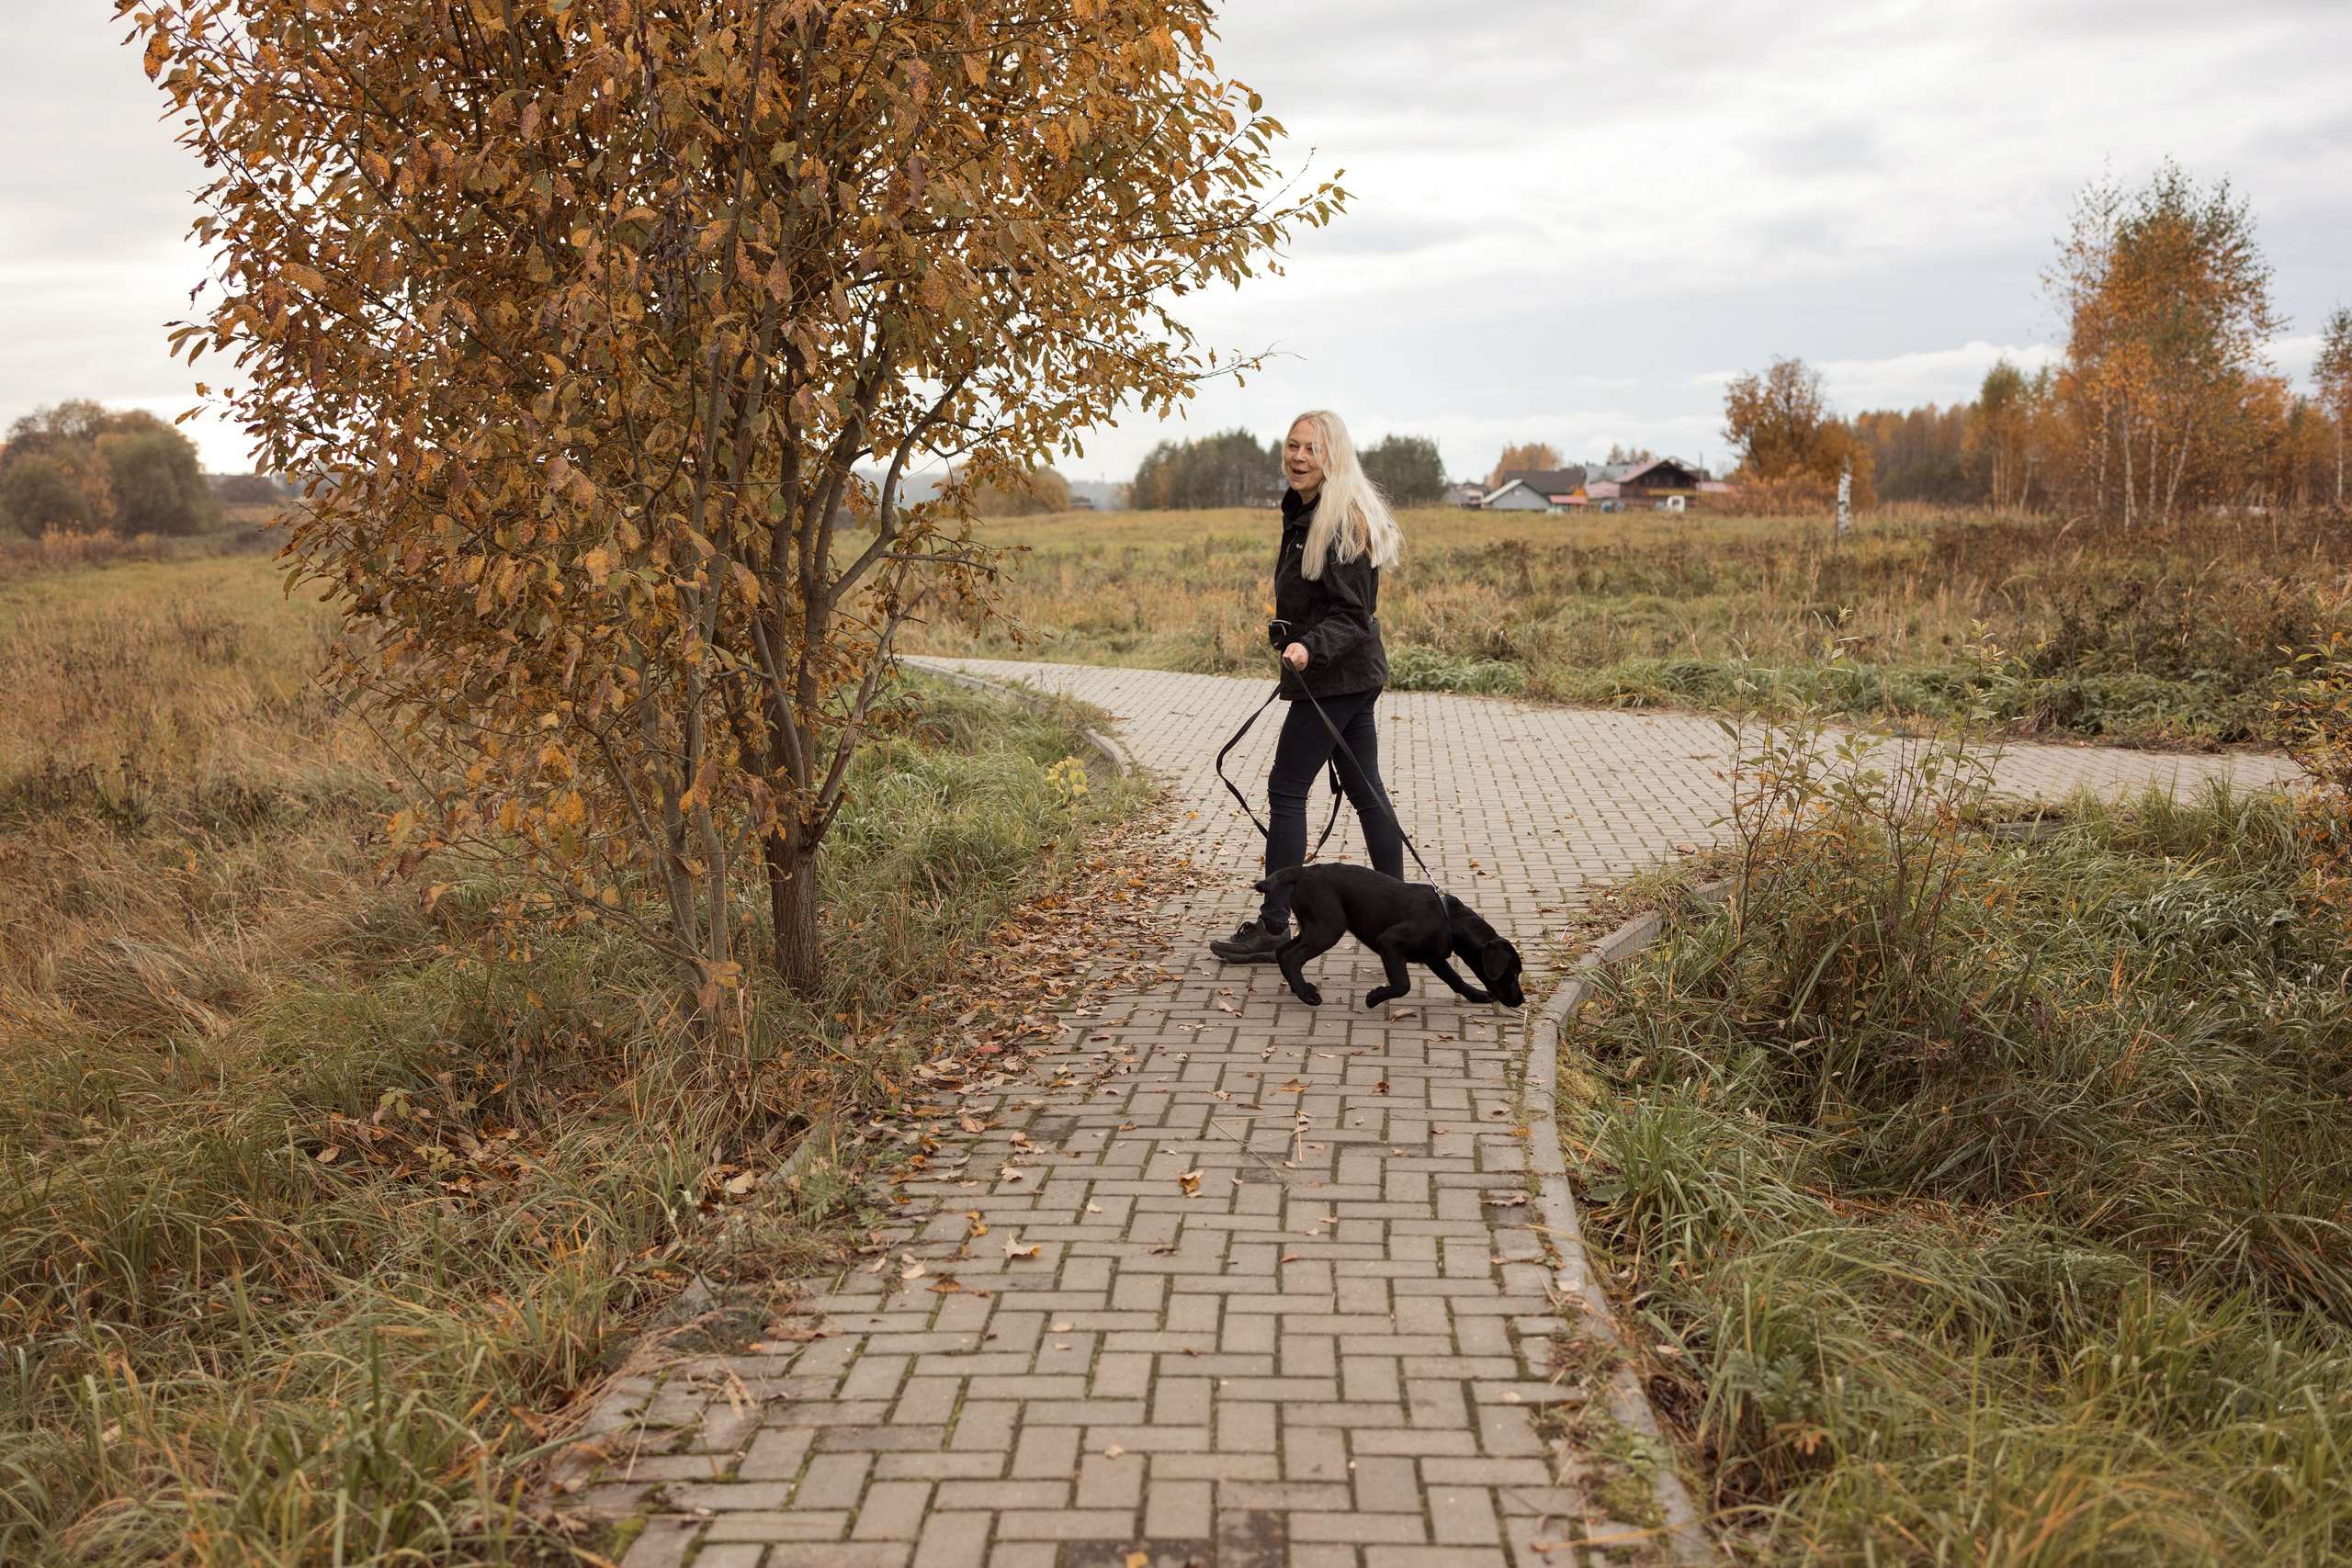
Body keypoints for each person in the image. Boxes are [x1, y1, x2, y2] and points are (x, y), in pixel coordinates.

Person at [1210, 410, 1408, 964]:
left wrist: (1307, 646)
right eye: (1292, 446)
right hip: (1345, 676)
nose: (1298, 457)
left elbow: (1354, 613)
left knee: (1287, 789)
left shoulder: (1342, 519)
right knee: (1367, 794)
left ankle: (1276, 924)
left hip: (1335, 678)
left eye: (1311, 449)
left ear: (1332, 457)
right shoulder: (1305, 508)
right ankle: (1399, 911)